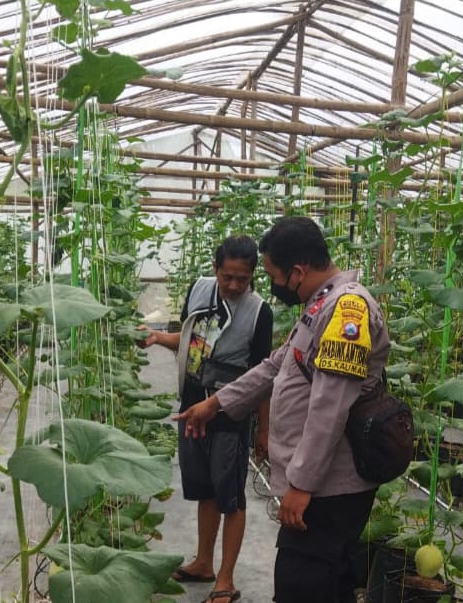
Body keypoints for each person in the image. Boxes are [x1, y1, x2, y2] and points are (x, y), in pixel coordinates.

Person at [176, 216, 391, 603]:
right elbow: (277, 364)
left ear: (297, 271)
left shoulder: (348, 311)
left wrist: (301, 485)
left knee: (301, 587)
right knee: (329, 585)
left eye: (273, 276)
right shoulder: (322, 304)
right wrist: (216, 403)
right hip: (320, 487)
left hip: (328, 490)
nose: (272, 287)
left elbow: (330, 407)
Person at [139, 235, 272, 602]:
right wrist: (156, 338)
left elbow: (263, 377)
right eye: (227, 276)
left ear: (252, 276)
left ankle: (225, 578)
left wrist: (264, 430)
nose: (233, 285)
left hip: (229, 412)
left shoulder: (259, 312)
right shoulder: (199, 290)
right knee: (204, 488)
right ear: (215, 269)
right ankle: (203, 562)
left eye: (242, 279)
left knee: (231, 494)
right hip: (192, 404)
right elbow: (190, 341)